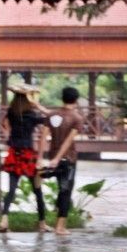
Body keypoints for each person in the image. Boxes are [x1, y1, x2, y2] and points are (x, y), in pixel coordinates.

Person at [0, 84, 50, 233]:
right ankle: (42, 223)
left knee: (11, 190)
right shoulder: (32, 115)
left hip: (14, 153)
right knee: (37, 191)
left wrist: (8, 135)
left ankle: (4, 219)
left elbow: (3, 123)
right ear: (28, 100)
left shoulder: (11, 112)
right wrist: (37, 105)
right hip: (28, 155)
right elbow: (50, 117)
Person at [41, 86, 84, 235]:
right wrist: (59, 158)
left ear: (62, 98)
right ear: (76, 100)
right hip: (68, 159)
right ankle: (60, 227)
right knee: (66, 191)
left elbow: (43, 136)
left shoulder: (52, 115)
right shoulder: (76, 118)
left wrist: (41, 157)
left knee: (61, 189)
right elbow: (68, 141)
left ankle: (57, 219)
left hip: (53, 156)